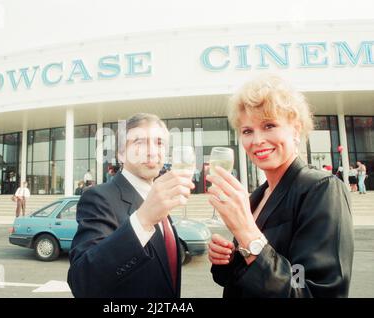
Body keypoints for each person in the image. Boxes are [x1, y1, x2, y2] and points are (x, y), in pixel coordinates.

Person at [207, 74, 354, 298]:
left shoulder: (321, 189)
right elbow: (244, 277)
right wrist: (228, 259)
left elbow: (308, 289)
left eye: (269, 125)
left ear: (296, 129)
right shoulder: (259, 195)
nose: (257, 140)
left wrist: (247, 233)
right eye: (247, 131)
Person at [67, 113, 194, 298]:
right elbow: (82, 282)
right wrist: (142, 221)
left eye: (159, 143)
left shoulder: (157, 196)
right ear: (120, 154)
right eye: (139, 142)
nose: (151, 151)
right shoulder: (98, 197)